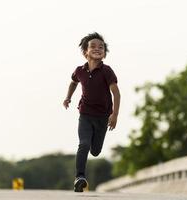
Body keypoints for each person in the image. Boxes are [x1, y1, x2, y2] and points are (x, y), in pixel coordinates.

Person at [63, 32, 121, 192]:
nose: (97, 49)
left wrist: (114, 115)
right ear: (85, 52)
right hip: (85, 114)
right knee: (84, 144)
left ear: (105, 54)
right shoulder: (79, 71)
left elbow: (116, 93)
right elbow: (73, 82)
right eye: (93, 46)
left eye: (101, 47)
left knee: (95, 151)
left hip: (103, 117)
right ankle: (79, 177)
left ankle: (88, 160)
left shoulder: (107, 71)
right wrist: (68, 97)